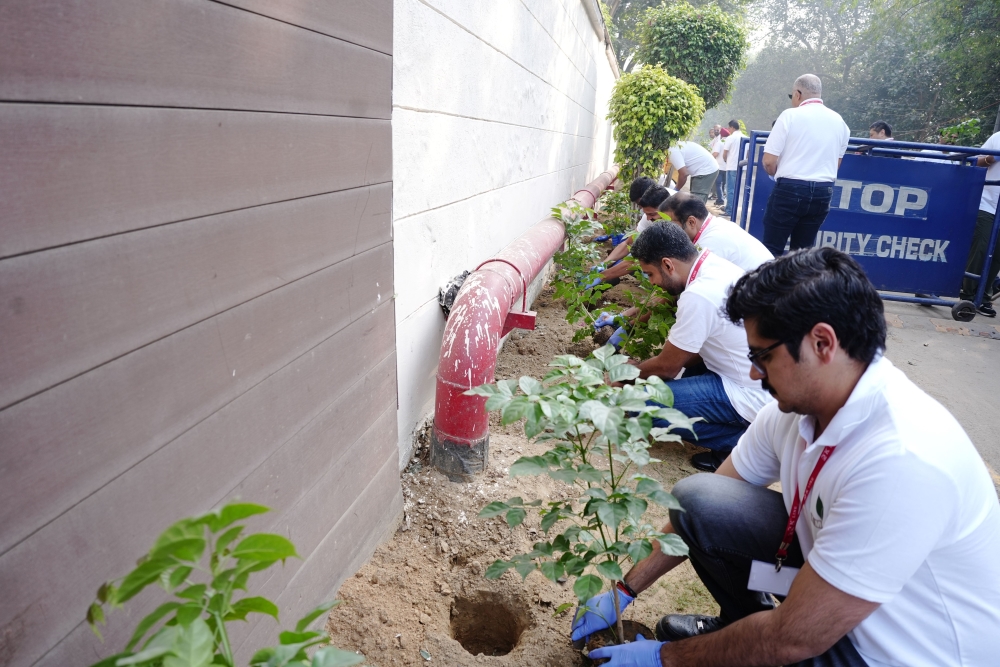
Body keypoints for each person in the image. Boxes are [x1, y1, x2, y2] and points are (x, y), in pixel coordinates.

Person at [574, 248, 1000, 667]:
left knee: (777, 647)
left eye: (762, 356)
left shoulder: (903, 460)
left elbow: (794, 638)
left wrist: (666, 658)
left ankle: (739, 642)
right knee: (699, 499)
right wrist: (625, 589)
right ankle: (741, 622)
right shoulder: (793, 409)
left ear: (822, 343)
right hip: (843, 598)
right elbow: (705, 503)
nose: (755, 373)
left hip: (897, 650)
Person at [610, 223, 772, 472]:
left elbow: (667, 367)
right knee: (667, 381)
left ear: (667, 264)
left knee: (641, 407)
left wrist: (627, 374)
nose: (653, 283)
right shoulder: (713, 265)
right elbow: (689, 352)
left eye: (650, 274)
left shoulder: (699, 294)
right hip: (753, 378)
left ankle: (752, 444)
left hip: (747, 391)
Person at [760, 74, 850, 256]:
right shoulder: (840, 122)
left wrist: (778, 174)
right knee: (802, 255)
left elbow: (769, 161)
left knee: (771, 250)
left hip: (789, 189)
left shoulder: (789, 116)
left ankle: (768, 285)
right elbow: (836, 164)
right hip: (822, 193)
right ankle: (799, 285)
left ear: (797, 94)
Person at [659, 192, 773, 272]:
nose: (669, 231)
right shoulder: (715, 226)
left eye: (672, 225)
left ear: (691, 222)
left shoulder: (709, 244)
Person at [960, 130, 1000, 317]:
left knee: (997, 254)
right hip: (987, 203)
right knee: (981, 248)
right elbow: (975, 161)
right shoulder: (997, 137)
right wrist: (992, 158)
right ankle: (968, 294)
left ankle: (983, 297)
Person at [722, 120, 744, 219]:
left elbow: (725, 153)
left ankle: (729, 210)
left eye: (729, 128)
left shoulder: (731, 138)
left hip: (731, 166)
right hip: (741, 166)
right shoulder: (745, 137)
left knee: (730, 189)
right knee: (737, 188)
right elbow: (748, 153)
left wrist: (726, 160)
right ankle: (731, 208)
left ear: (732, 127)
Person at [712, 127, 730, 207]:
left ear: (721, 134)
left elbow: (715, 153)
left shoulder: (719, 142)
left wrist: (710, 158)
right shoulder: (730, 142)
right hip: (728, 166)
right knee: (724, 184)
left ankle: (720, 200)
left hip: (719, 166)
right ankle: (722, 199)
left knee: (718, 184)